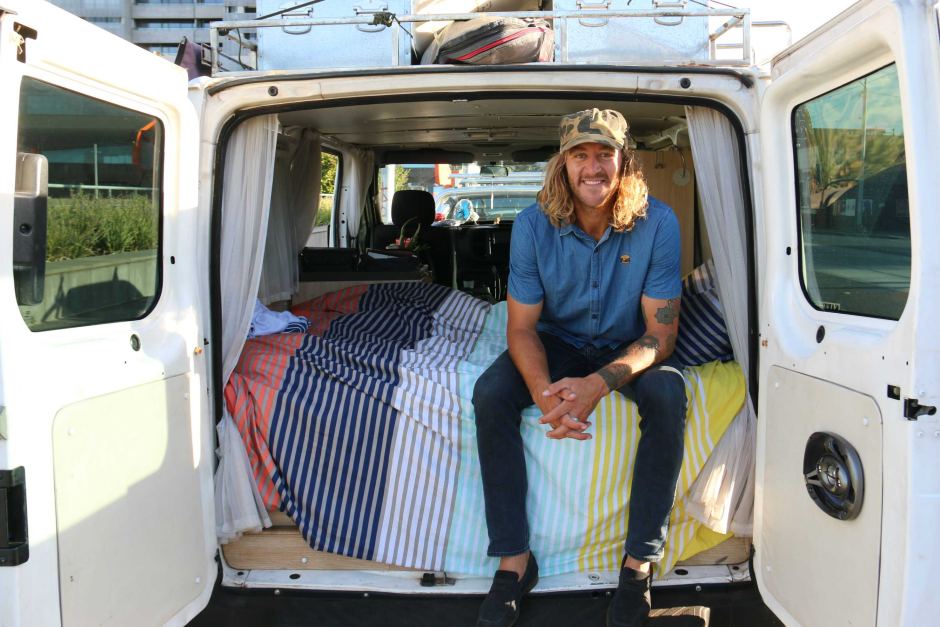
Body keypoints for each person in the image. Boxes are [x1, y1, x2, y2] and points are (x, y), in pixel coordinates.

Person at [472, 108, 686, 627]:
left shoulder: (658, 223)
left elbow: (661, 334)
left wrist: (597, 385)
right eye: (580, 155)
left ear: (623, 160)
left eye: (604, 154)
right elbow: (521, 328)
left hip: (627, 344)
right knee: (490, 393)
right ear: (563, 164)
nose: (593, 167)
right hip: (557, 340)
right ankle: (515, 562)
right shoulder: (531, 225)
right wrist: (544, 392)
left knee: (669, 395)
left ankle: (638, 566)